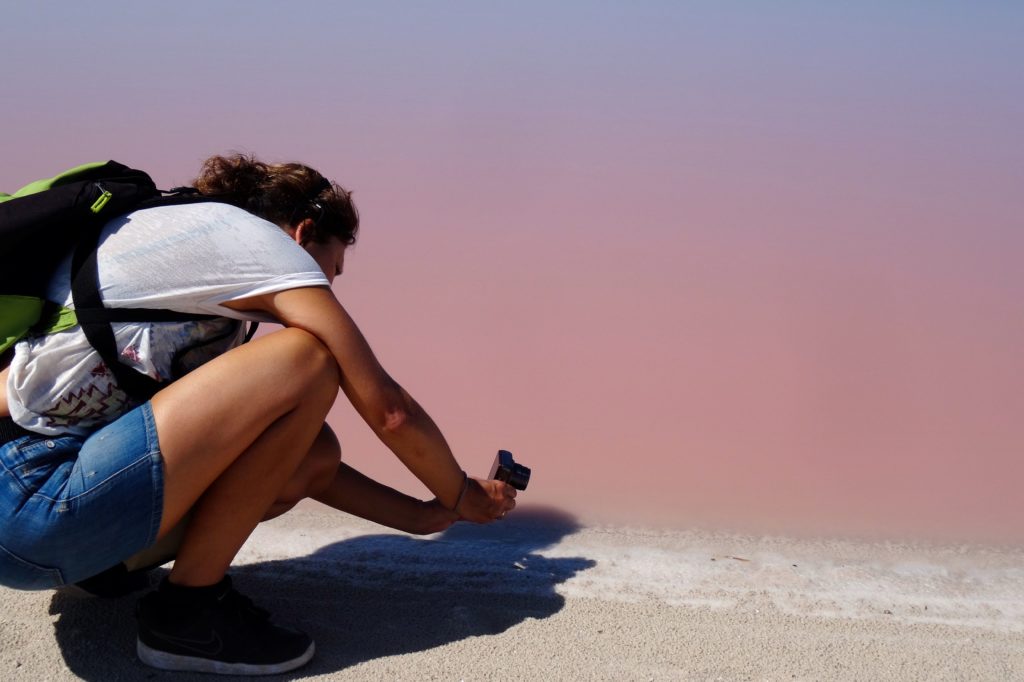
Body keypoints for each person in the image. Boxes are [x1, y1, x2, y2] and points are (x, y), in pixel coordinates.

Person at [0, 154, 517, 675]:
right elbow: (390, 410)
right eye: (330, 267)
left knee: (312, 446)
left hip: (37, 516)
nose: (328, 289)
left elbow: (297, 465)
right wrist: (461, 493)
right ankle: (186, 617)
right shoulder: (251, 240)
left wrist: (424, 516)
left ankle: (104, 568)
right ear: (303, 231)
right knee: (309, 360)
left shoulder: (181, 248)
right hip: (34, 507)